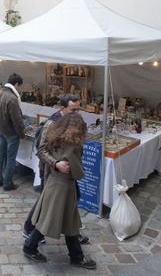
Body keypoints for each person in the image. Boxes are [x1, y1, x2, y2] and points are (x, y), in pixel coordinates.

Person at [23, 113, 97, 270]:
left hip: (54, 183)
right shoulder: (73, 147)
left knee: (65, 221)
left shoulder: (55, 139)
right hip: (63, 188)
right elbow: (78, 173)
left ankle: (76, 255)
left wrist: (55, 165)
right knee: (49, 220)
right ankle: (30, 247)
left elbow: (43, 152)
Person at [23, 94, 90, 245]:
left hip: (66, 173)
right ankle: (30, 230)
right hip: (50, 171)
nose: (76, 113)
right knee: (46, 201)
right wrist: (56, 164)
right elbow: (41, 150)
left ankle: (73, 233)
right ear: (62, 108)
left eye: (78, 110)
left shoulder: (72, 122)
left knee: (70, 199)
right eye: (73, 110)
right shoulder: (52, 124)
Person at [0, 73, 25, 191]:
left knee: (1, 154)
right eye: (19, 86)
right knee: (11, 158)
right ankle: (7, 183)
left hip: (2, 128)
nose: (19, 89)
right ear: (16, 84)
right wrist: (22, 134)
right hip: (11, 132)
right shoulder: (12, 98)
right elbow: (17, 120)